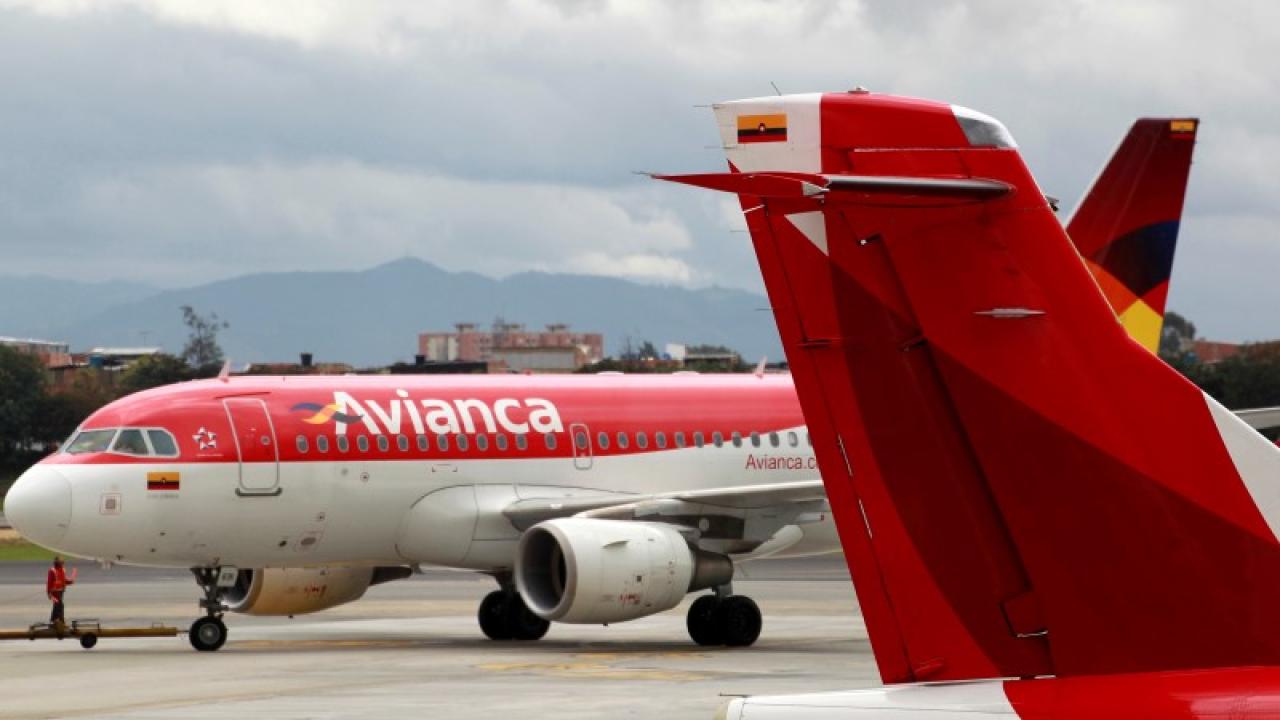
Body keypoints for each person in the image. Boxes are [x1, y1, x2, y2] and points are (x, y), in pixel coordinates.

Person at [47, 556, 74, 628]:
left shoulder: (63, 570)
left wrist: (69, 582)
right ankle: (60, 621)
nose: (63, 562)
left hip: (61, 591)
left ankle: (54, 620)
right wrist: (49, 593)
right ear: (57, 562)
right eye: (61, 561)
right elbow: (49, 582)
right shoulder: (52, 571)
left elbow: (63, 580)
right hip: (54, 592)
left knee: (57, 605)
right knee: (60, 605)